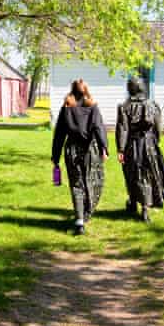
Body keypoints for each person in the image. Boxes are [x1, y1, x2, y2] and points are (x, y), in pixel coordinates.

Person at [52, 79, 109, 235]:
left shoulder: (67, 108)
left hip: (72, 150)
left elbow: (59, 134)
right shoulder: (92, 107)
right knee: (93, 181)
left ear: (72, 90)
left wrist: (55, 157)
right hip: (90, 151)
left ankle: (79, 220)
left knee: (76, 184)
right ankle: (86, 213)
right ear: (86, 90)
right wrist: (104, 148)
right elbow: (98, 127)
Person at [116, 77, 164, 222]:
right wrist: (155, 141)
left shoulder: (124, 107)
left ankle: (135, 203)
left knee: (132, 174)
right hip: (149, 145)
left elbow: (123, 129)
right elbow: (158, 127)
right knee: (147, 174)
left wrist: (121, 149)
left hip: (132, 145)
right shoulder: (152, 105)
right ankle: (143, 207)